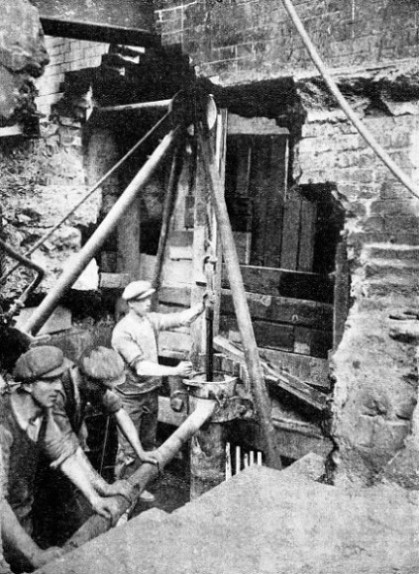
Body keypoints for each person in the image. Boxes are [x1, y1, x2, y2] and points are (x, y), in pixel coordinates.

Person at [0, 346, 120, 572]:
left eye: (59, 379)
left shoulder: (41, 414)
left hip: (21, 512)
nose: (58, 388)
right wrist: (34, 554)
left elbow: (65, 454)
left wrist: (95, 498)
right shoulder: (3, 425)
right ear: (27, 385)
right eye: (50, 381)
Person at [111, 280, 205, 496]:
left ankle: (142, 481)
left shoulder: (150, 320)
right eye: (143, 299)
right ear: (131, 303)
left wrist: (202, 306)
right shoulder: (122, 331)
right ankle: (125, 492)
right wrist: (175, 371)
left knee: (147, 441)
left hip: (149, 392)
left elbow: (180, 318)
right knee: (129, 449)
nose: (148, 302)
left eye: (149, 298)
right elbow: (142, 367)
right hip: (129, 397)